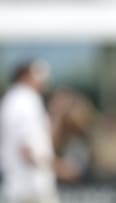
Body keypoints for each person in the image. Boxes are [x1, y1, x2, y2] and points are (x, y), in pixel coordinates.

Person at [0, 58, 59, 203]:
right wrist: (60, 167)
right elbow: (27, 149)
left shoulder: (13, 99)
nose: (43, 81)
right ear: (24, 76)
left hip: (19, 185)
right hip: (31, 186)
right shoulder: (26, 100)